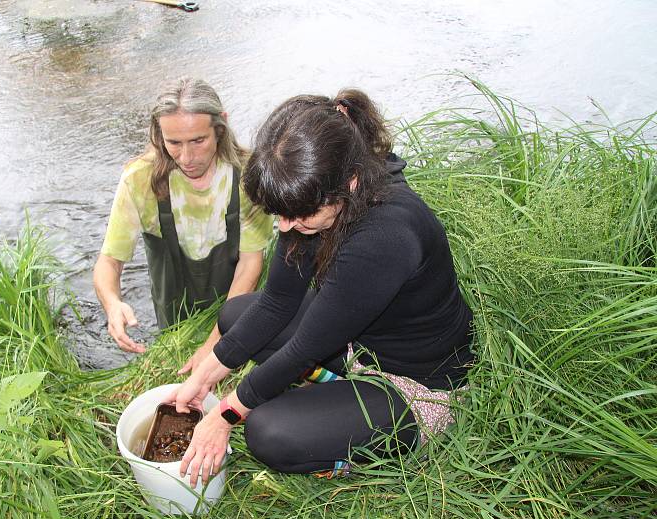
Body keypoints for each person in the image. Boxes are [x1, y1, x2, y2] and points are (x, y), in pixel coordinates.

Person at [166, 89, 475, 485]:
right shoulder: (312, 194)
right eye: (279, 214)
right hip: (356, 342)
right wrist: (206, 374)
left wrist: (225, 413)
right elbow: (278, 301)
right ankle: (338, 391)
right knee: (236, 316)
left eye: (296, 216)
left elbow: (302, 349)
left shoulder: (386, 235)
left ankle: (379, 445)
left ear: (349, 183)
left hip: (417, 382)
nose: (285, 228)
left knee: (267, 432)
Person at [93, 78, 274, 371]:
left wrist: (216, 342)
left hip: (236, 305)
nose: (187, 158)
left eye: (198, 141)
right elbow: (109, 261)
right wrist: (113, 304)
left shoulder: (249, 177)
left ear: (221, 127)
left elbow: (250, 264)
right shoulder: (139, 180)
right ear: (158, 133)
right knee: (174, 363)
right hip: (173, 314)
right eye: (173, 143)